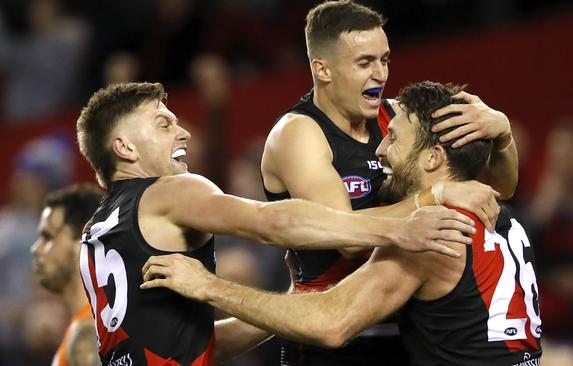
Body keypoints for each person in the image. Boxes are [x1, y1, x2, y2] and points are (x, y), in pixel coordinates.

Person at [75, 81, 478, 365]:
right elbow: (271, 222)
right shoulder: (170, 191)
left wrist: (292, 299)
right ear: (124, 147)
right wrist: (408, 217)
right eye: (164, 124)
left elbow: (191, 346)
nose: (183, 133)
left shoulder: (97, 229)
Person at [259, 1, 518, 364]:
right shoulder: (299, 134)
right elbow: (345, 236)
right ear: (323, 70)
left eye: (385, 60)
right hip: (333, 339)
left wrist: (502, 135)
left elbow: (497, 191)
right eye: (365, 63)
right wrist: (434, 195)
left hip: (406, 333)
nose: (380, 74)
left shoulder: (399, 118)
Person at [30, 183, 103, 366]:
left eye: (48, 237)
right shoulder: (91, 326)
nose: (36, 249)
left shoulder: (86, 337)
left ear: (81, 245)